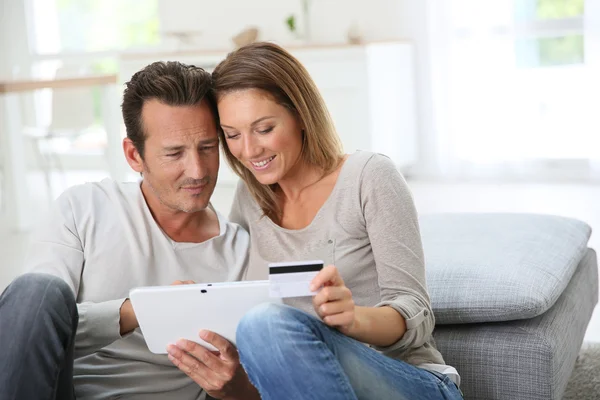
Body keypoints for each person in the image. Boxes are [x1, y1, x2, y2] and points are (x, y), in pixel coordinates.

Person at [199, 42, 461, 399]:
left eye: (263, 129)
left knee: (265, 323)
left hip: (411, 381)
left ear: (301, 115)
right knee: (259, 324)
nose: (249, 150)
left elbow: (415, 313)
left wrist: (354, 319)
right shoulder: (250, 200)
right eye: (232, 135)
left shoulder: (369, 176)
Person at [0, 61, 258, 400]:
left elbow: (257, 387)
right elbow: (29, 327)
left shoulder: (242, 254)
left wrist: (231, 386)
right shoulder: (84, 208)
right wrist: (142, 310)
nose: (197, 170)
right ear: (134, 155)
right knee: (37, 290)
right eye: (174, 153)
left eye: (207, 148)